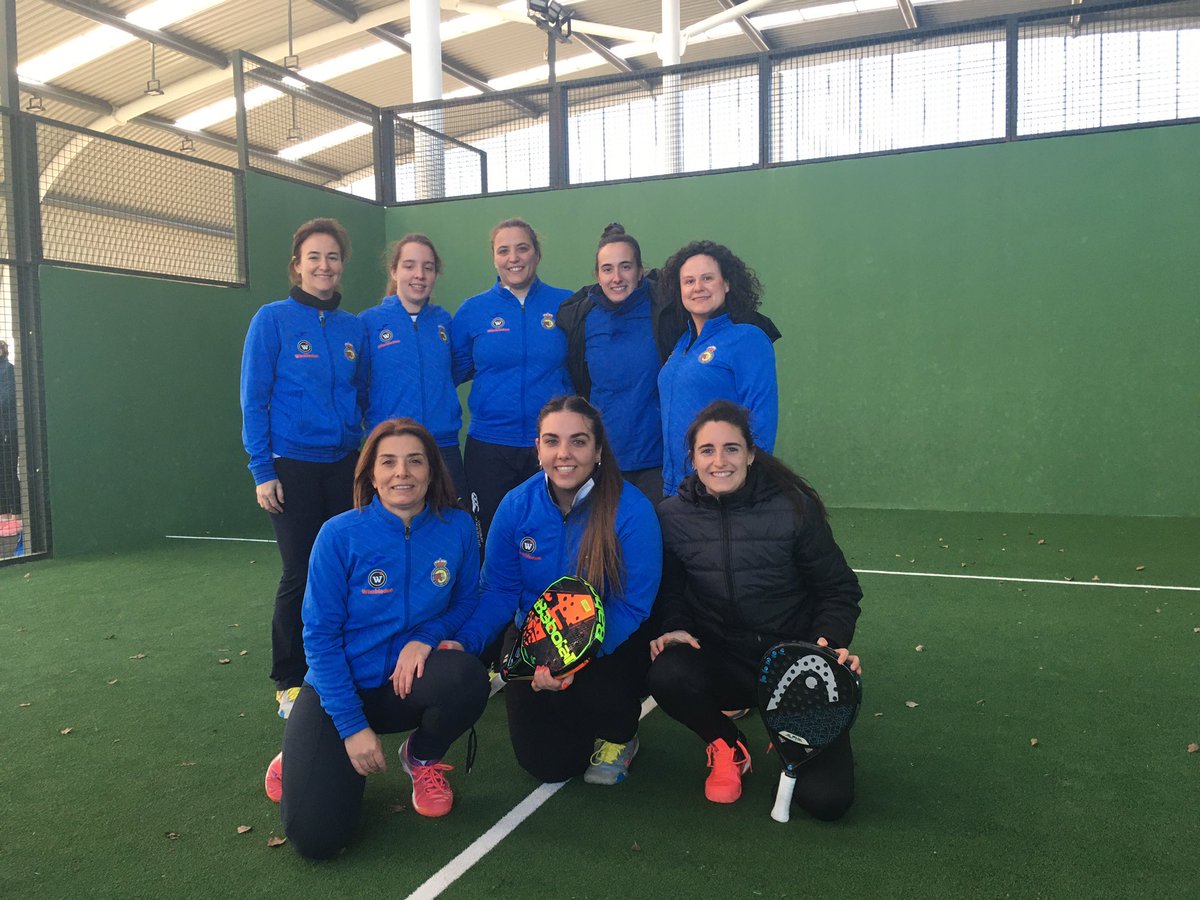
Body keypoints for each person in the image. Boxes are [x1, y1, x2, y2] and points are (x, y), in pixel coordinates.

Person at [274, 419, 489, 860]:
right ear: (370, 474)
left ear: (432, 470)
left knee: (467, 677)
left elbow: (467, 601)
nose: (402, 473)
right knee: (317, 840)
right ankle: (300, 753)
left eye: (415, 461)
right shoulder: (338, 535)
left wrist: (428, 636)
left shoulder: (458, 528)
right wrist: (353, 728)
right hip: (340, 690)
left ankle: (421, 757)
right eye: (388, 462)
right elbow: (319, 638)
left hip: (404, 684)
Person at [647, 400, 862, 817]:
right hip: (722, 661)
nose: (719, 460)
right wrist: (673, 625)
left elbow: (839, 590)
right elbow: (670, 590)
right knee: (668, 670)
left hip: (793, 669)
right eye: (707, 450)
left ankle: (786, 730)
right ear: (691, 458)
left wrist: (825, 645)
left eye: (731, 448)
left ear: (749, 453)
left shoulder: (793, 508)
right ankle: (728, 745)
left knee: (828, 802)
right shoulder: (671, 517)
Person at [445, 396, 662, 785]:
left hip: (605, 640)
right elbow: (498, 590)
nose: (565, 454)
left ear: (597, 451)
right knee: (549, 767)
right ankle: (572, 711)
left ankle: (620, 734)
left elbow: (632, 605)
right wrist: (466, 642)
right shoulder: (516, 506)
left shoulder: (632, 510)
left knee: (605, 688)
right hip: (535, 637)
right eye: (552, 441)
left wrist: (570, 659)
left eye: (578, 441)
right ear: (538, 448)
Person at [240, 218, 369, 719]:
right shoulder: (271, 320)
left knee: (347, 570)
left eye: (332, 257)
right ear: (297, 266)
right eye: (314, 257)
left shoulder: (353, 327)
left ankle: (344, 663)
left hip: (345, 467)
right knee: (299, 572)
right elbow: (254, 401)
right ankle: (290, 679)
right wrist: (261, 469)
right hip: (291, 467)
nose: (324, 266)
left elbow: (359, 397)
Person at [451, 218, 572, 540]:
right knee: (492, 539)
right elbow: (449, 373)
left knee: (551, 535)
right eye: (504, 250)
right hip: (489, 448)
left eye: (522, 248)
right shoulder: (472, 311)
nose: (513, 258)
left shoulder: (566, 305)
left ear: (536, 254)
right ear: (494, 257)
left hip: (551, 446)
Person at [657, 240, 781, 497]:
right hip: (677, 490)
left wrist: (746, 484)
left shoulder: (748, 338)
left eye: (707, 278)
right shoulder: (681, 344)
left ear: (726, 283)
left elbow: (762, 418)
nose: (698, 287)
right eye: (689, 281)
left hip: (722, 489)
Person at [556, 224, 670, 501]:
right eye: (607, 269)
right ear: (597, 275)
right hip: (602, 462)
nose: (616, 277)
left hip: (658, 463)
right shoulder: (582, 319)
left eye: (626, 267)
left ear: (641, 271)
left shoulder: (665, 311)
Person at [360, 234, 467, 500]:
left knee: (448, 530)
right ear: (394, 271)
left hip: (444, 448)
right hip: (392, 451)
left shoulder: (444, 322)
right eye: (409, 266)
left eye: (428, 267)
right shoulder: (368, 323)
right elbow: (358, 387)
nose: (419, 274)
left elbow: (450, 374)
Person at [0, 338, 19, 521]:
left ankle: (17, 513)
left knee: (8, 470)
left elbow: (6, 399)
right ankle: (4, 514)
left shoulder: (9, 370)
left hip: (8, 429)